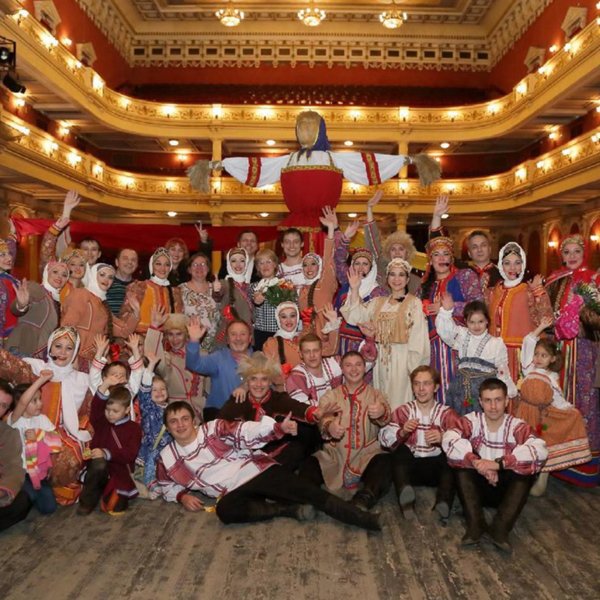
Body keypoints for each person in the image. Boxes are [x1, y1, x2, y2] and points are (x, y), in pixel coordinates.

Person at [155, 401, 380, 530]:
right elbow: (164, 484)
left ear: (194, 420)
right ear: (167, 427)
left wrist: (276, 429)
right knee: (225, 511)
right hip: (230, 491)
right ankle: (288, 510)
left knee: (310, 493)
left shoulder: (213, 428)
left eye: (184, 419)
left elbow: (245, 431)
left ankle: (364, 519)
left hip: (255, 470)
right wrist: (181, 496)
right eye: (173, 421)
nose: (180, 425)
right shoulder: (167, 457)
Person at [442, 378, 547, 552]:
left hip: (506, 493)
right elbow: (449, 439)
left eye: (498, 400)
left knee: (524, 474)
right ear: (480, 402)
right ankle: (475, 525)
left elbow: (540, 450)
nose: (493, 406)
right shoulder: (472, 421)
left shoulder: (517, 426)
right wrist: (477, 462)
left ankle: (500, 529)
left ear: (506, 401)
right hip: (477, 490)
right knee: (461, 469)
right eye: (488, 400)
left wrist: (499, 464)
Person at [0, 327, 91, 505]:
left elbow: (90, 410)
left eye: (69, 348)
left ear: (75, 353)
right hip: (26, 425)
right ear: (49, 347)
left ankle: (43, 488)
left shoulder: (81, 380)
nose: (62, 352)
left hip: (59, 431)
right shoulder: (35, 369)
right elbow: (7, 363)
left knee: (68, 457)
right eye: (58, 346)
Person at [299, 351, 392, 510]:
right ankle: (308, 500)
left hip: (366, 456)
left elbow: (386, 414)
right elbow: (323, 417)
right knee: (310, 464)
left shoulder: (376, 394)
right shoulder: (331, 395)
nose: (353, 369)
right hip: (334, 456)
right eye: (348, 365)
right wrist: (329, 426)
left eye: (358, 365)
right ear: (342, 369)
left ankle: (363, 500)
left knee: (385, 462)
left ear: (364, 368)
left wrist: (381, 412)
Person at [514, 318, 592, 495]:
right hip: (524, 414)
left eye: (544, 355)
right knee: (523, 445)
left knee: (544, 445)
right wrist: (541, 327)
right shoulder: (528, 369)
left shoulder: (551, 377)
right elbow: (528, 341)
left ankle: (542, 480)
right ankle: (521, 480)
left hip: (542, 417)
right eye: (536, 354)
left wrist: (569, 410)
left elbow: (557, 399)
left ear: (552, 359)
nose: (538, 358)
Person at [544, 234, 600, 475]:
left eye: (577, 251)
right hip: (558, 349)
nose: (572, 256)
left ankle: (585, 463)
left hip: (585, 349)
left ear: (584, 253)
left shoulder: (594, 279)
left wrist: (580, 319)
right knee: (559, 397)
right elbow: (544, 314)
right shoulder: (554, 280)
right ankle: (558, 458)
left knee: (584, 398)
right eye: (567, 252)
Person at [341, 258, 430, 410]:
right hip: (381, 360)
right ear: (387, 278)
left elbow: (418, 338)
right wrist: (355, 289)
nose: (396, 279)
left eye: (401, 275)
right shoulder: (378, 302)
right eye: (392, 274)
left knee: (400, 404)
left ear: (407, 279)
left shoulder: (414, 303)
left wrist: (414, 369)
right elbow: (355, 316)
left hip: (403, 361)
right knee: (381, 402)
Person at [219, 352, 325, 470]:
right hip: (243, 458)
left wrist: (315, 412)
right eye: (253, 379)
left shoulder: (277, 399)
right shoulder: (238, 400)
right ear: (247, 382)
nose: (259, 384)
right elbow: (218, 427)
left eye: (264, 379)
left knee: (298, 447)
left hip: (274, 455)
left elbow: (298, 407)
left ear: (270, 381)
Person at [379, 366, 459, 521]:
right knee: (399, 450)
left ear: (436, 387)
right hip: (410, 471)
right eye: (417, 384)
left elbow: (462, 441)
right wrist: (402, 432)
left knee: (450, 458)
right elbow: (383, 439)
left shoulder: (446, 413)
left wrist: (443, 438)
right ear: (412, 387)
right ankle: (406, 498)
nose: (421, 389)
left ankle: (443, 502)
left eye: (426, 384)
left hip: (436, 472)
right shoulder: (404, 410)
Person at [419, 235, 483, 403]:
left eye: (445, 254)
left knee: (462, 390)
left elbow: (479, 305)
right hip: (432, 348)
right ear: (430, 260)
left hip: (459, 345)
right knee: (436, 388)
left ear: (451, 258)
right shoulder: (425, 286)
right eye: (436, 255)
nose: (441, 258)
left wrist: (449, 307)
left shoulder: (464, 276)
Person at [436, 296, 516, 416]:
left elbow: (502, 369)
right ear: (466, 321)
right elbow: (445, 332)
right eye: (472, 322)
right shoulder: (461, 335)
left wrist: (507, 390)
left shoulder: (496, 343)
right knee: (460, 421)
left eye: (480, 322)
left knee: (482, 422)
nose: (476, 326)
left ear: (487, 321)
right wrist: (446, 312)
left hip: (484, 393)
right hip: (461, 390)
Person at [487, 242, 553, 382]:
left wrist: (538, 293)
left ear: (523, 265)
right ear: (500, 265)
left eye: (517, 263)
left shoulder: (529, 290)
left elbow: (546, 318)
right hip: (497, 353)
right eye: (507, 263)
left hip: (522, 353)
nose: (512, 268)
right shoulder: (493, 291)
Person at [78, 377, 142, 516]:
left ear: (127, 410)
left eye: (115, 411)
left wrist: (107, 453)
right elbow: (96, 408)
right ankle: (86, 502)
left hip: (119, 472)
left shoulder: (134, 429)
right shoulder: (102, 422)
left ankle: (104, 491)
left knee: (116, 506)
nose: (110, 414)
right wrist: (105, 384)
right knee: (99, 464)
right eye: (107, 410)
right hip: (98, 468)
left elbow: (130, 454)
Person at [61, 263, 140, 364]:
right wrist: (72, 355)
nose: (106, 280)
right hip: (76, 357)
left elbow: (124, 331)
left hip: (95, 359)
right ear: (93, 275)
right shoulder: (80, 294)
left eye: (110, 277)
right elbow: (67, 327)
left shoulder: (103, 305)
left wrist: (136, 311)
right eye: (102, 275)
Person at [8, 373, 62, 515]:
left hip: (39, 471)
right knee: (28, 497)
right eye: (34, 401)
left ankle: (31, 492)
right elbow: (22, 402)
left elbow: (56, 440)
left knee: (49, 509)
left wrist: (39, 436)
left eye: (40, 399)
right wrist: (41, 380)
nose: (40, 404)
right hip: (20, 472)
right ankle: (24, 492)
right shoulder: (14, 420)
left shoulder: (42, 419)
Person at [334, 224, 388, 355]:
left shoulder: (379, 292)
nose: (360, 267)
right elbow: (339, 260)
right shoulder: (347, 281)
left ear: (371, 267)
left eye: (365, 264)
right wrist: (345, 238)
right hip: (341, 341)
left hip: (364, 345)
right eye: (357, 263)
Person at [185, 317, 252, 422]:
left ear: (250, 338)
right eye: (233, 334)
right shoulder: (218, 358)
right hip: (218, 415)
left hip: (249, 418)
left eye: (243, 334)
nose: (238, 338)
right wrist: (194, 340)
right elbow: (194, 365)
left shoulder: (259, 358)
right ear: (227, 340)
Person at [144, 308, 205, 417]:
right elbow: (151, 355)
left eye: (179, 334)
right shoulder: (167, 358)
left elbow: (210, 387)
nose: (174, 339)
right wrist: (154, 327)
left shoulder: (203, 355)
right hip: (175, 412)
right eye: (170, 334)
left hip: (200, 412)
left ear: (186, 335)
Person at [6, 260, 69, 358]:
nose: (59, 277)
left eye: (64, 275)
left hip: (38, 355)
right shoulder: (36, 289)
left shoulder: (56, 301)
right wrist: (21, 304)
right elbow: (16, 309)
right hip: (22, 349)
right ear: (47, 273)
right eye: (55, 272)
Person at [363, 190, 421, 294]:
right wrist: (369, 208)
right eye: (393, 249)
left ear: (407, 253)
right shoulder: (380, 271)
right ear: (388, 253)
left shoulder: (416, 282)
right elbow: (373, 242)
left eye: (401, 249)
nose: (397, 252)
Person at [122, 247, 183, 336]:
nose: (163, 268)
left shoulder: (174, 292)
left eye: (167, 265)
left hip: (165, 341)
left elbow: (178, 325)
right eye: (158, 264)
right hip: (137, 340)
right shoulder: (138, 287)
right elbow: (124, 319)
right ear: (151, 266)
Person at [297, 206, 338, 335]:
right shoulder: (301, 291)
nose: (309, 268)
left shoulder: (325, 283)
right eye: (305, 265)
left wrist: (331, 229)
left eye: (313, 264)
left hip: (325, 337)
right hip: (307, 339)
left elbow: (328, 260)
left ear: (319, 266)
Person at [135, 353, 172, 495]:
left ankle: (169, 484)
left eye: (163, 389)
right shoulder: (148, 408)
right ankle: (152, 485)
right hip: (153, 447)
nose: (159, 392)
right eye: (154, 390)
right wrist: (151, 366)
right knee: (151, 465)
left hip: (169, 447)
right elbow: (144, 390)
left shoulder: (171, 409)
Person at [286, 333, 343, 407]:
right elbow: (301, 405)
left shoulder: (334, 363)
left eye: (315, 350)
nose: (312, 355)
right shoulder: (296, 376)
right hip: (315, 413)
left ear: (322, 351)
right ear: (301, 354)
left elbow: (355, 368)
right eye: (307, 352)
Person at [179, 252, 220, 353]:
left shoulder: (217, 288)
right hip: (190, 346)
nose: (199, 267)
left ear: (208, 269)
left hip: (216, 347)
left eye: (203, 264)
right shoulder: (180, 290)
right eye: (195, 265)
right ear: (189, 269)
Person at [213, 247, 253, 346]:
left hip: (247, 334)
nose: (238, 264)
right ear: (228, 264)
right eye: (234, 261)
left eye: (242, 261)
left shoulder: (249, 286)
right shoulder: (225, 283)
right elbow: (217, 296)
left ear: (246, 263)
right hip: (229, 334)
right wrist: (216, 290)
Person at [0, 419, 31, 532]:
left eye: (2, 408)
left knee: (23, 502)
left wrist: (2, 491)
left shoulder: (8, 433)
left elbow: (14, 469)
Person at [0, 224, 28, 347]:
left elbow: (11, 249)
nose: (9, 258)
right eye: (2, 255)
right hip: (6, 340)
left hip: (16, 336)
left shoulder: (7, 277)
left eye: (9, 254)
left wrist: (12, 233)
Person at [250, 248, 281, 350]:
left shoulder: (284, 285)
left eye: (269, 262)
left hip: (279, 331)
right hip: (260, 332)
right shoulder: (253, 287)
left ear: (275, 264)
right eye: (261, 263)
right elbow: (251, 305)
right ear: (257, 267)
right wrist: (255, 299)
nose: (265, 266)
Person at [106, 248, 139, 315]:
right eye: (125, 258)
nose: (129, 262)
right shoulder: (105, 283)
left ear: (136, 265)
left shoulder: (139, 287)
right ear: (117, 262)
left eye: (133, 260)